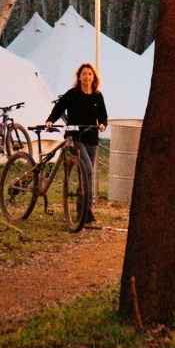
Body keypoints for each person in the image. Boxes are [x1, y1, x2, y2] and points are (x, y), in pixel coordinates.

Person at [47, 63, 107, 229]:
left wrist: (102, 124)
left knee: (86, 174)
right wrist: (50, 119)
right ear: (79, 77)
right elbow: (59, 108)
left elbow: (103, 116)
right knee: (86, 168)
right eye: (84, 74)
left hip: (91, 138)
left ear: (93, 77)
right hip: (75, 137)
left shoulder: (97, 96)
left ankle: (84, 211)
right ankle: (85, 212)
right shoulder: (72, 94)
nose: (87, 77)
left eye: (89, 74)